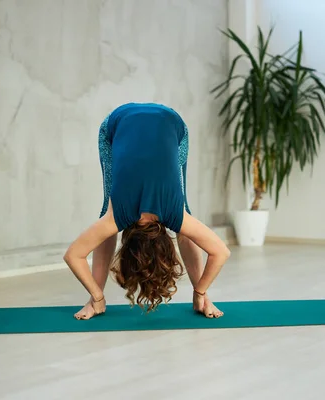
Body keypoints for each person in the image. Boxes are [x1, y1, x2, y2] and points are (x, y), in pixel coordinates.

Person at [63, 103, 231, 320]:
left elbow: (221, 253)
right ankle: (202, 299)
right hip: (140, 121)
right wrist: (199, 291)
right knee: (111, 214)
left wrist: (98, 296)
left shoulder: (164, 215)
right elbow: (221, 252)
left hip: (170, 123)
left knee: (114, 216)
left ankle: (95, 301)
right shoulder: (123, 216)